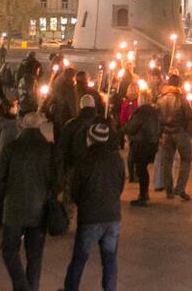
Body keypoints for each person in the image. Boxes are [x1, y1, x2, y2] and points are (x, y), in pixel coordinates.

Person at [0, 112, 55, 291]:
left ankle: (21, 286)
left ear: (23, 126)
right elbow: (56, 180)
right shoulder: (48, 149)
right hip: (40, 210)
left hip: (14, 209)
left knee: (9, 250)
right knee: (35, 257)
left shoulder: (11, 148)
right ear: (39, 127)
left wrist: (8, 193)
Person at [63, 123, 125, 291]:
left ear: (89, 139)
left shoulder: (83, 161)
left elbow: (75, 191)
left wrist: (82, 204)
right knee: (110, 259)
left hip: (90, 217)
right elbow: (120, 186)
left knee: (79, 259)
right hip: (112, 216)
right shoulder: (117, 160)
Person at [157, 74, 192, 201]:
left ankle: (169, 191)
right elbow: (189, 115)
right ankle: (180, 188)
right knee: (186, 160)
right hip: (180, 132)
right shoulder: (182, 98)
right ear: (179, 84)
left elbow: (158, 117)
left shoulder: (161, 99)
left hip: (166, 133)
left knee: (167, 162)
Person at [59, 95, 102, 196]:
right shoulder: (101, 123)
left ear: (80, 106)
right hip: (96, 164)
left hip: (75, 164)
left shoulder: (70, 124)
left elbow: (62, 148)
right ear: (94, 105)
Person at [124, 90, 161, 206]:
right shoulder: (155, 112)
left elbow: (131, 128)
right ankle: (144, 194)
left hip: (141, 144)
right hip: (153, 143)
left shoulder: (139, 112)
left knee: (141, 170)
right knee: (143, 169)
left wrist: (125, 127)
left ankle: (143, 196)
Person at [0, 98, 21, 228]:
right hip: (7, 165)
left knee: (0, 193)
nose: (16, 109)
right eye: (14, 107)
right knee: (6, 193)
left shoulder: (2, 124)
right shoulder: (12, 128)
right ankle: (5, 219)